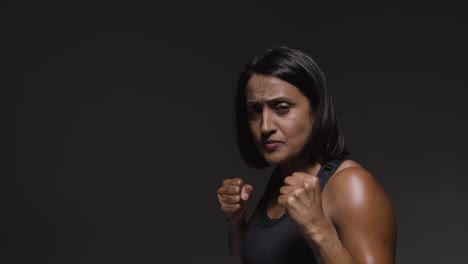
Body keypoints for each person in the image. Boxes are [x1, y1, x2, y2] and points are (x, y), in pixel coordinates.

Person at [216, 46, 396, 264]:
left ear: (317, 109)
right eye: (255, 111)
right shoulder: (281, 181)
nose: (265, 126)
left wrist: (318, 229)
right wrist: (237, 221)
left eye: (281, 107)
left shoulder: (352, 185)